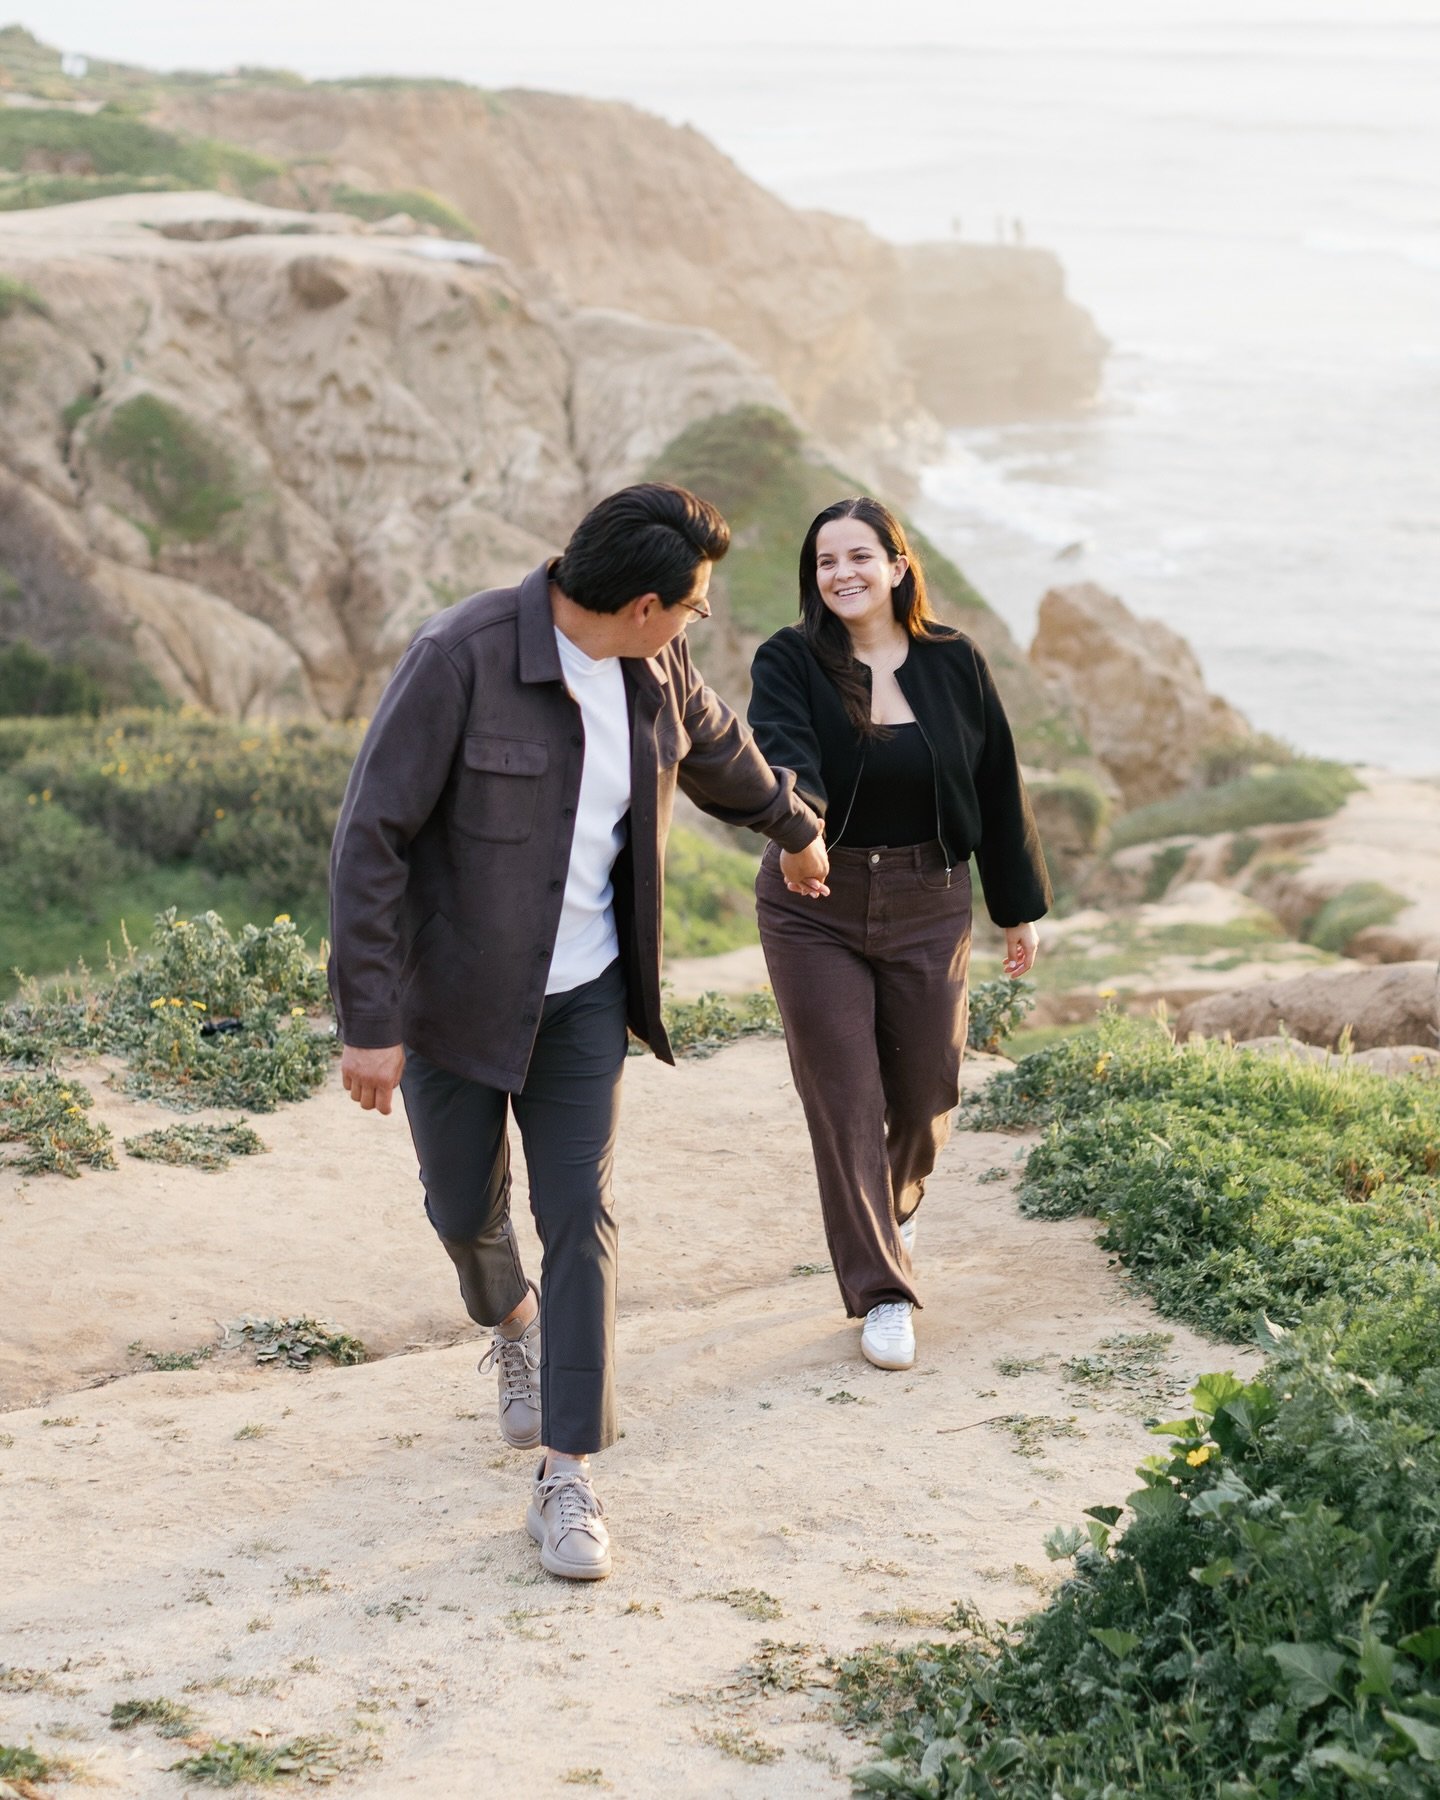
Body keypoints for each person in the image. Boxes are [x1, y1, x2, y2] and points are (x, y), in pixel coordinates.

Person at [328, 483, 828, 1581]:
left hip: (588, 1001)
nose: (696, 627)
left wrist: (796, 831)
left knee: (581, 1215)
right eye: (692, 609)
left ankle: (567, 1474)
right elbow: (371, 840)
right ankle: (513, 1327)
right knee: (463, 1210)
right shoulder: (458, 657)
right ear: (644, 604)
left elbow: (721, 753)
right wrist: (369, 1022)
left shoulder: (656, 670)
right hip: (452, 1005)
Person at [748, 497, 1049, 1373]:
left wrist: (1016, 904)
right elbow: (783, 754)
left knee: (925, 1091)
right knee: (844, 1100)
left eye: (858, 557)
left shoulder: (954, 661)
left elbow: (997, 784)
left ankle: (892, 1202)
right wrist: (796, 829)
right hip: (816, 899)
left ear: (897, 564)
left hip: (931, 895)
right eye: (824, 562)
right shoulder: (791, 659)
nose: (841, 574)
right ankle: (883, 1290)